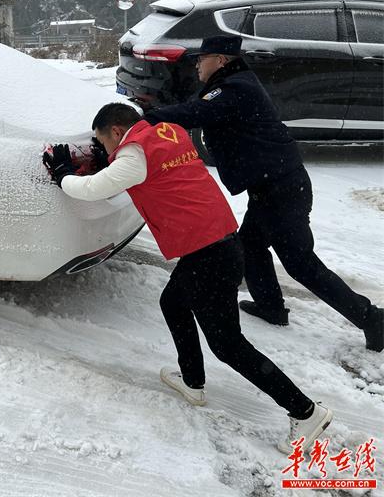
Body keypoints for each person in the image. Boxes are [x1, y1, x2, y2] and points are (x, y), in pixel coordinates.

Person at [43, 103, 332, 454]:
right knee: (173, 303)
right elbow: (148, 170)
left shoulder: (133, 157)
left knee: (228, 345)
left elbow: (93, 189)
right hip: (221, 242)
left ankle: (305, 411)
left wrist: (61, 174)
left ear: (117, 132)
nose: (107, 151)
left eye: (105, 143)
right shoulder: (170, 133)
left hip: (208, 254)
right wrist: (108, 159)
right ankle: (193, 382)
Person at [143, 35, 383, 352]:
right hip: (273, 187)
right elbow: (198, 108)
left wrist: (147, 118)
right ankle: (271, 306)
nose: (198, 64)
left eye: (203, 58)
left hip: (282, 191)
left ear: (222, 60)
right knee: (251, 247)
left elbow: (195, 113)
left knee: (301, 265)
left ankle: (372, 318)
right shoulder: (233, 83)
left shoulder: (235, 89)